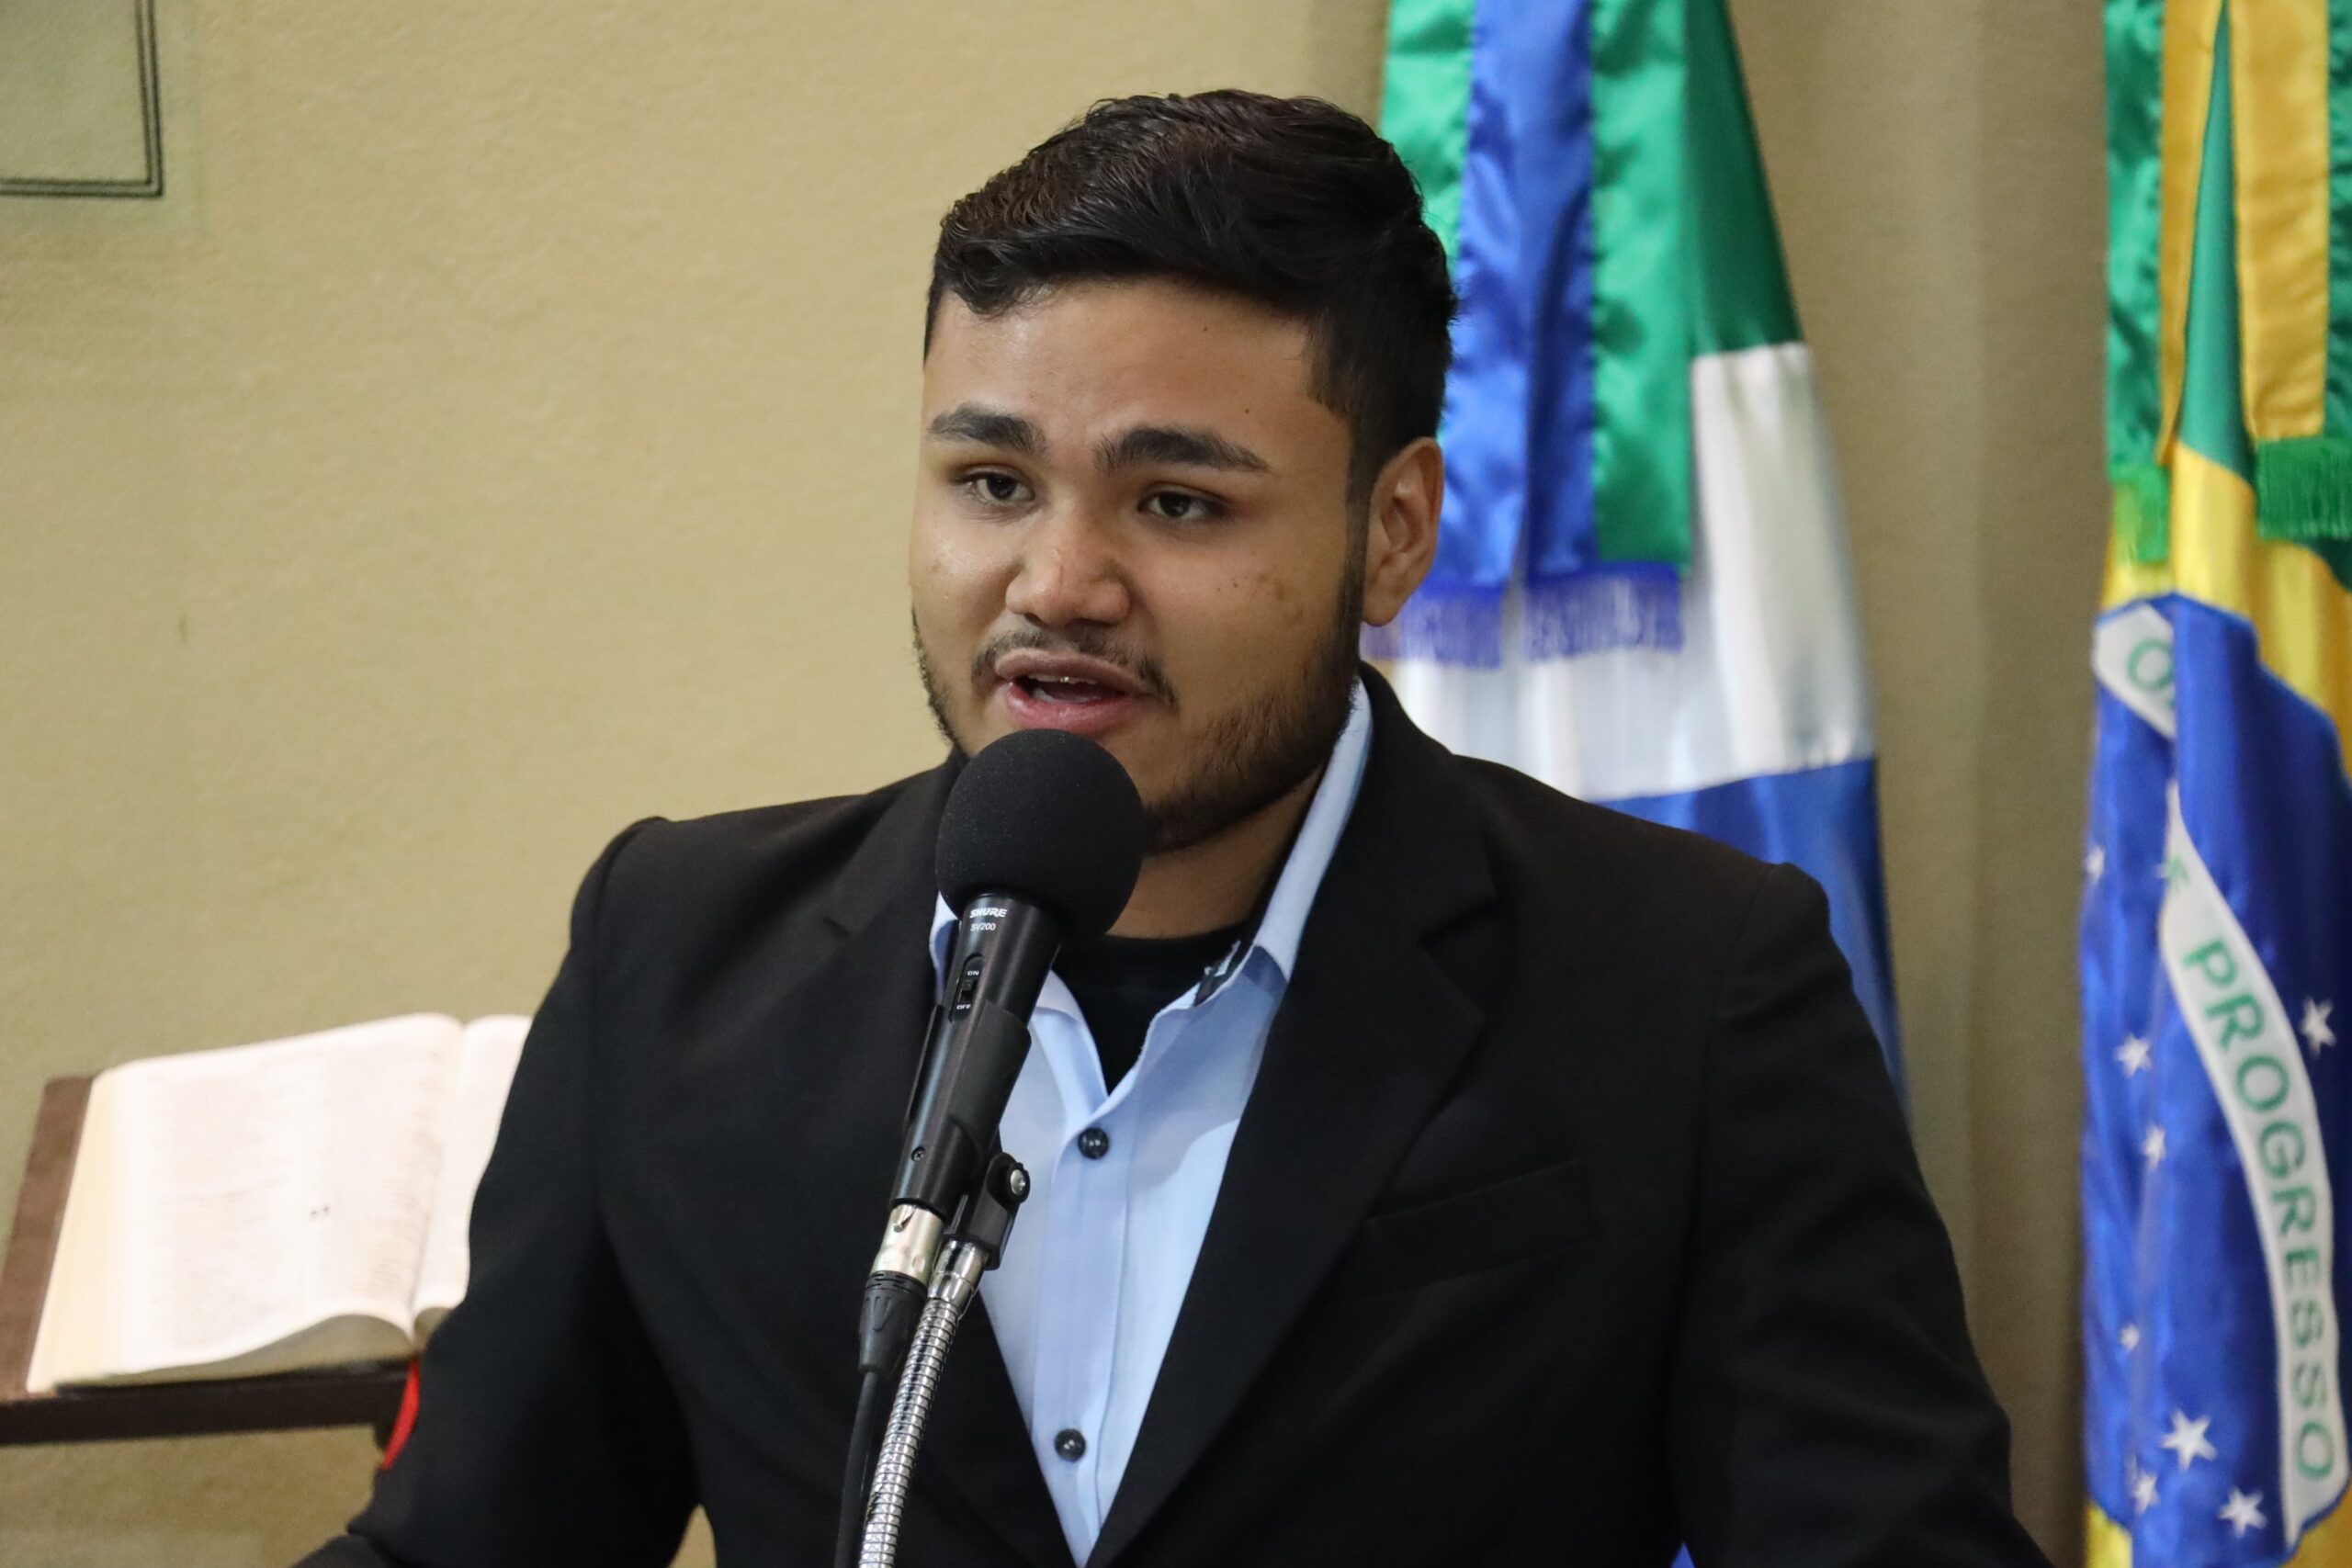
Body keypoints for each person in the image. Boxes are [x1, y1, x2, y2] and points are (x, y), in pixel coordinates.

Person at [299, 90, 2050, 1567]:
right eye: (992, 482)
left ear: (1393, 532)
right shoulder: (678, 961)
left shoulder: (1684, 988)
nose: (1058, 584)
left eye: (1178, 501)